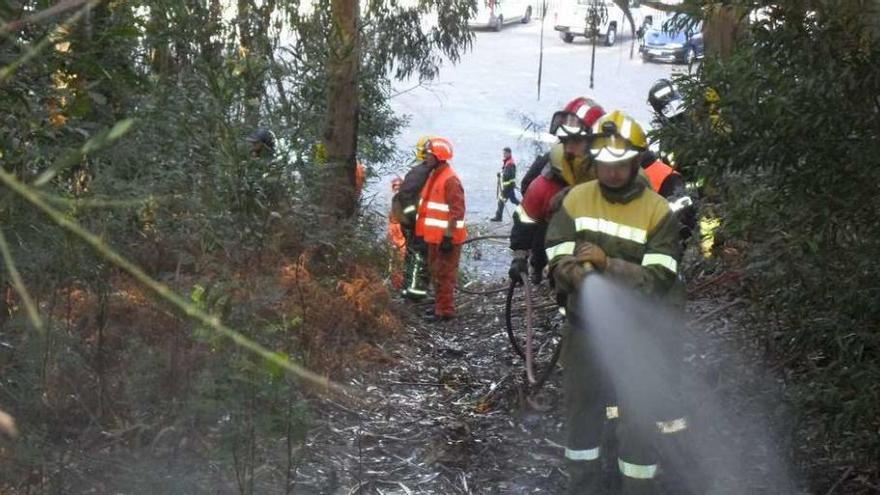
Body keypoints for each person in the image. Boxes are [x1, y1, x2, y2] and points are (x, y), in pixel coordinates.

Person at [545, 110, 686, 495]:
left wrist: (607, 265)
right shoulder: (575, 200)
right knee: (583, 417)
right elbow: (557, 256)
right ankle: (585, 487)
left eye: (620, 164)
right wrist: (579, 275)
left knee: (638, 419)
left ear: (637, 160)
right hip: (584, 331)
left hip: (640, 334)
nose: (611, 173)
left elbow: (659, 278)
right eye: (604, 164)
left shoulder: (658, 212)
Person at [508, 97, 605, 285]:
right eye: (565, 140)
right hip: (563, 266)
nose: (569, 148)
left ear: (597, 143)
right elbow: (527, 217)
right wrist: (519, 256)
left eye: (576, 141)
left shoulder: (614, 178)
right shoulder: (549, 181)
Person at [414, 137, 467, 322]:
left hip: (446, 239)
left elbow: (457, 211)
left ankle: (445, 311)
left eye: (429, 154)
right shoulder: (435, 175)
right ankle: (439, 306)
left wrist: (448, 236)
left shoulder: (450, 179)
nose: (426, 157)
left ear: (438, 156)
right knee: (436, 272)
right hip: (434, 237)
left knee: (444, 274)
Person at [391, 136, 434, 300]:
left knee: (413, 255)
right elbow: (405, 196)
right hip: (413, 223)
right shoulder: (421, 173)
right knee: (419, 255)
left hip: (411, 222)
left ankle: (409, 290)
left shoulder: (422, 171)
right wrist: (414, 218)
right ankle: (415, 293)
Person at [491, 147, 519, 222]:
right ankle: (524, 210)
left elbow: (510, 175)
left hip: (508, 186)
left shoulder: (510, 163)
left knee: (501, 200)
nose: (504, 154)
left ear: (509, 153)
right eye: (503, 153)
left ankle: (498, 217)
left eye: (505, 153)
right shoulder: (508, 162)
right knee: (513, 200)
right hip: (510, 186)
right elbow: (507, 173)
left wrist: (501, 174)